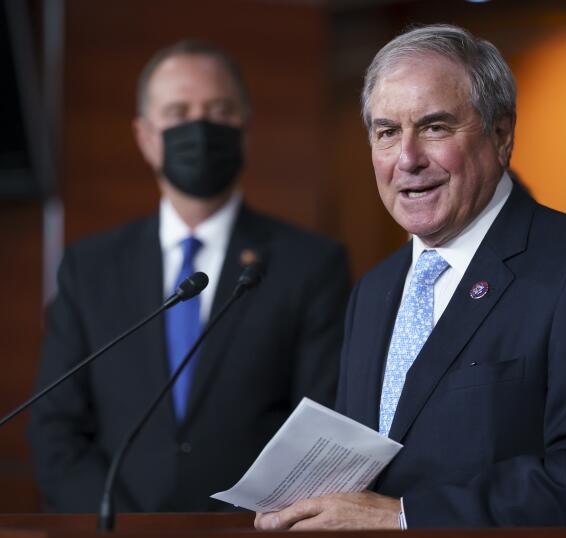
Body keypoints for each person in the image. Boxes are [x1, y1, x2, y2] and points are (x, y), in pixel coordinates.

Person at [254, 24, 566, 538]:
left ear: (501, 136)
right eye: (385, 132)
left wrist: (405, 518)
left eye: (434, 127)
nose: (407, 158)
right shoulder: (374, 289)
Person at [27, 40, 351, 513]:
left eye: (219, 111)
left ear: (246, 128)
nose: (199, 128)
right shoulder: (89, 268)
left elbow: (321, 427)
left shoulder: (312, 264)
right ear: (144, 137)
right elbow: (55, 430)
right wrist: (118, 530)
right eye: (178, 112)